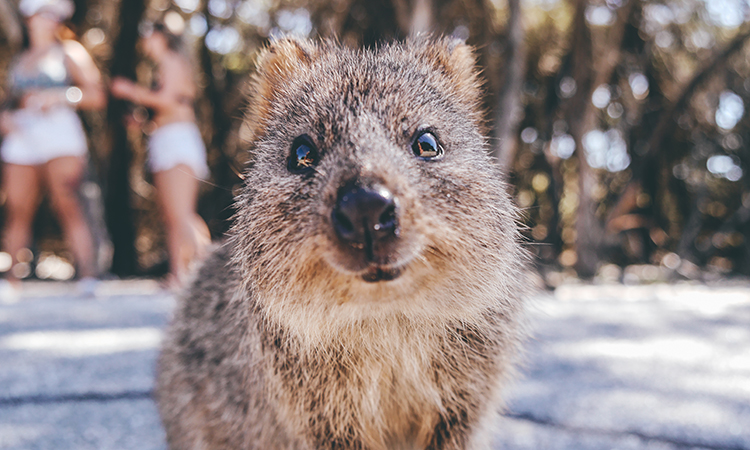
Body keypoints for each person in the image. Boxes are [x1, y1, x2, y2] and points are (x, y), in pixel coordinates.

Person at [0, 0, 106, 295]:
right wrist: (5, 118)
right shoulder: (20, 58)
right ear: (29, 17)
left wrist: (61, 97)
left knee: (68, 202)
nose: (49, 19)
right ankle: (11, 281)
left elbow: (97, 95)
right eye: (42, 13)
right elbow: (10, 100)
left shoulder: (70, 52)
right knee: (17, 207)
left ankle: (87, 276)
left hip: (60, 133)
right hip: (22, 136)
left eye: (54, 13)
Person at [111, 21, 210, 289]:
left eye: (147, 35)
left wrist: (129, 90)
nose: (144, 41)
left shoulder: (173, 61)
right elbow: (168, 107)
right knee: (172, 214)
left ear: (162, 37)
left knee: (181, 213)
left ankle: (208, 273)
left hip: (177, 141)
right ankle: (179, 275)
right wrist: (142, 121)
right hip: (166, 139)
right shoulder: (164, 65)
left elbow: (168, 100)